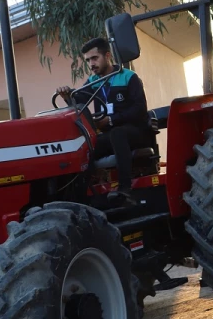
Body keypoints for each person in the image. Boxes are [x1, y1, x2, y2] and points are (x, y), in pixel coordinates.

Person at [55, 37, 151, 206]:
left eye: (94, 58)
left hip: (135, 132)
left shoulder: (129, 77)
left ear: (107, 56)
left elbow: (139, 109)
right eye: (88, 60)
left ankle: (125, 189)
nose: (91, 64)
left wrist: (112, 120)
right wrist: (67, 96)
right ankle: (81, 198)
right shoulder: (93, 82)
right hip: (110, 133)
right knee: (84, 146)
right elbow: (78, 102)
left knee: (117, 133)